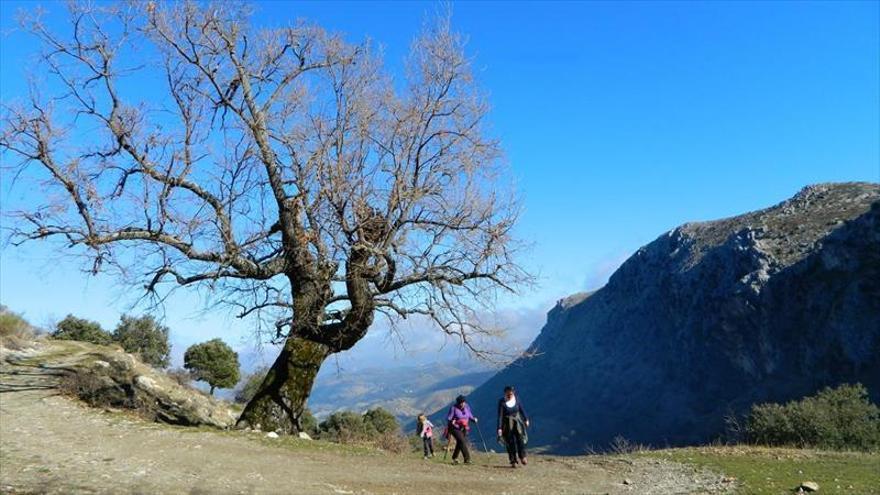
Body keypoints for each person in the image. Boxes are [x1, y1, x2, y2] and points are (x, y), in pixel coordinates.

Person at [497, 385, 529, 468]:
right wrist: (499, 428)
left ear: (513, 392)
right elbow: (500, 416)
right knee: (510, 442)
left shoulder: (517, 399)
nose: (510, 395)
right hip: (507, 424)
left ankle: (522, 457)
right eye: (508, 393)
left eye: (511, 393)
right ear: (505, 393)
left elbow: (521, 409)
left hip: (517, 422)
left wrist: (526, 419)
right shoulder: (502, 402)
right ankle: (513, 460)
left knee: (520, 439)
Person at [446, 395, 478, 465]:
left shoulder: (467, 407)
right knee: (462, 441)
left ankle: (454, 458)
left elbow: (469, 415)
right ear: (457, 403)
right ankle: (467, 459)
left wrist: (473, 419)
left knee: (459, 443)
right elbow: (449, 418)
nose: (462, 404)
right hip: (454, 428)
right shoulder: (453, 408)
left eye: (463, 402)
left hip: (464, 428)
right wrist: (452, 421)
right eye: (461, 403)